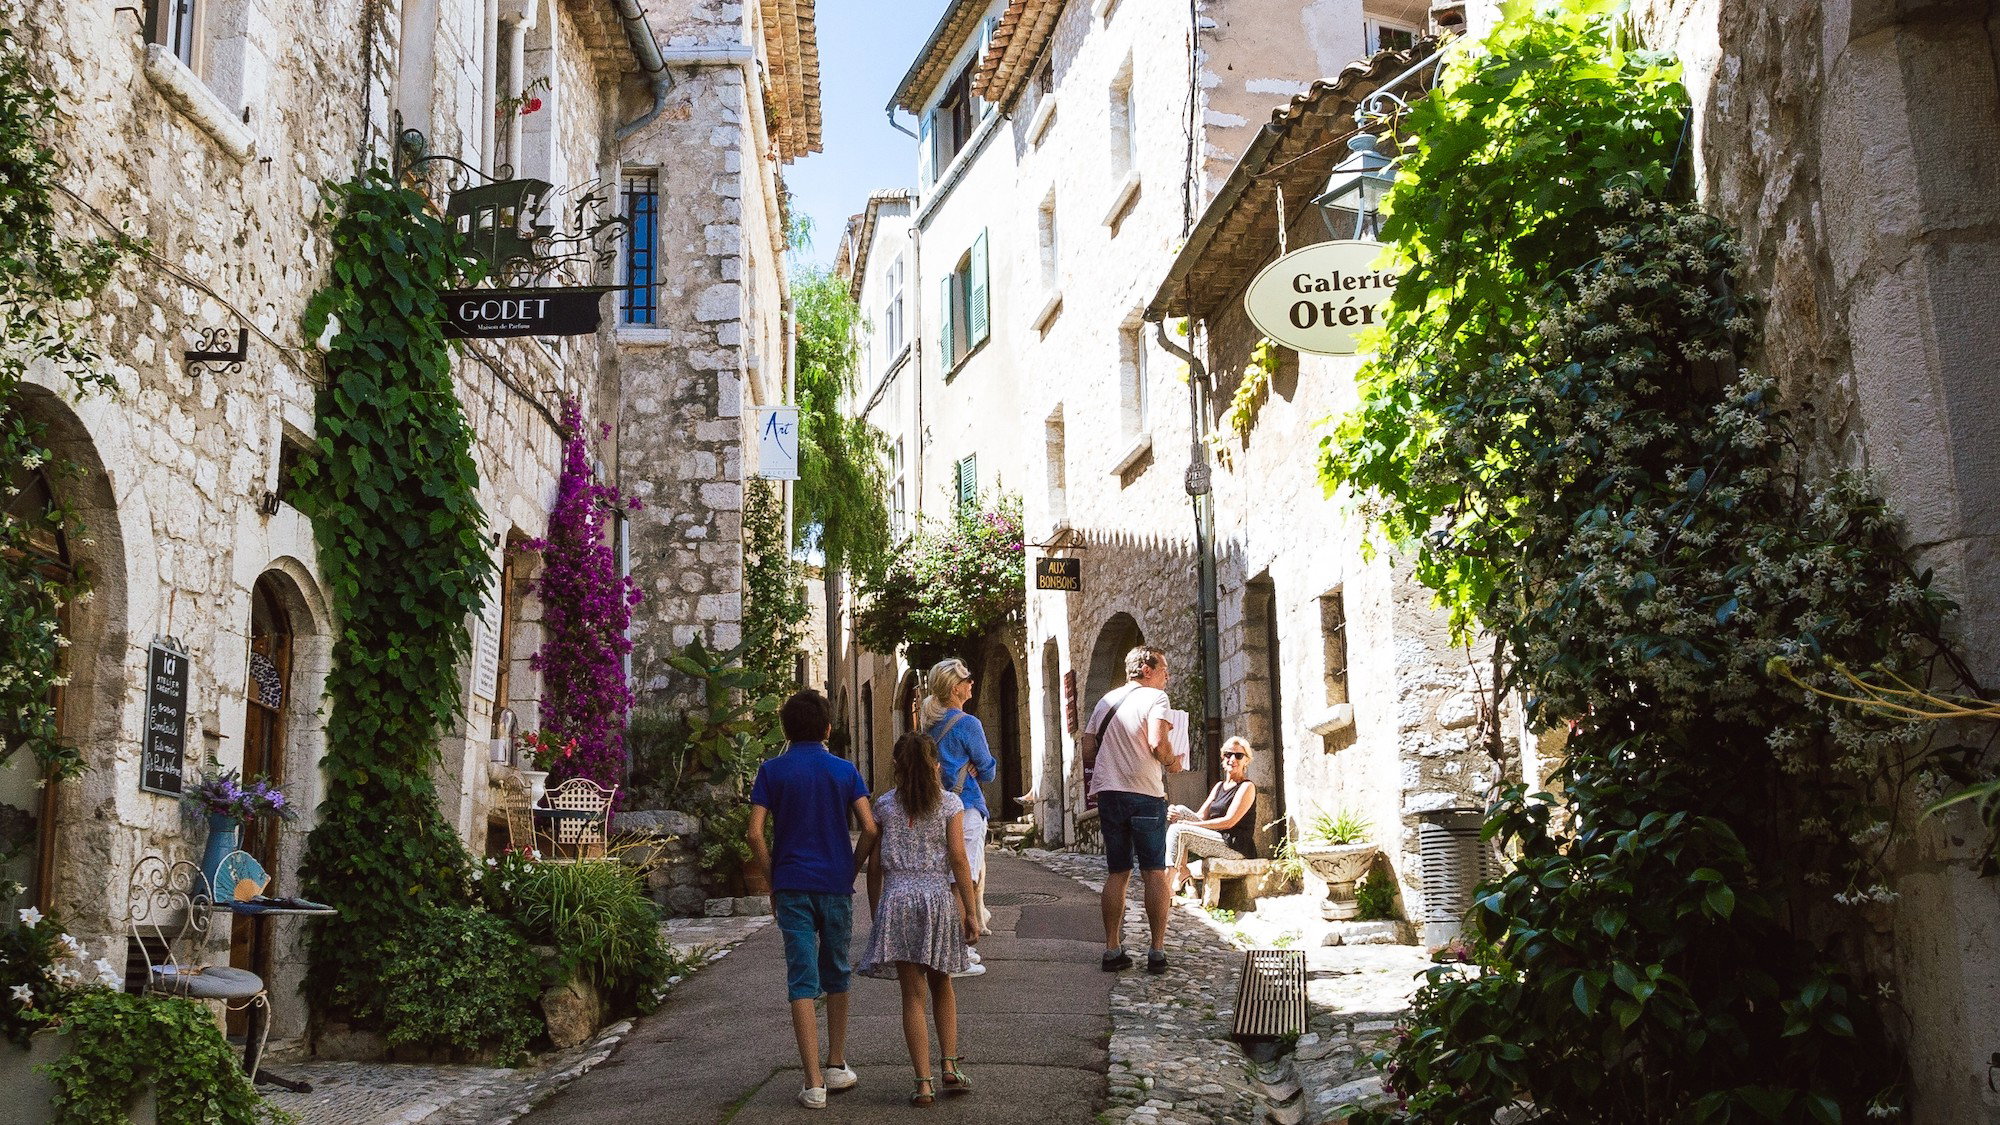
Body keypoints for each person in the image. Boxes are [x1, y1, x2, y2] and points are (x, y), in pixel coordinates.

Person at [747, 689, 880, 1111]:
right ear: (827, 728)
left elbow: (754, 833)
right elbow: (870, 828)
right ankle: (837, 1063)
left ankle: (813, 1082)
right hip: (835, 885)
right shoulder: (844, 770)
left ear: (786, 729)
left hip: (792, 885)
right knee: (837, 971)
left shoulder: (772, 771)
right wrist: (851, 868)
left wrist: (773, 880)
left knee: (801, 978)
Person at [858, 731, 983, 1106]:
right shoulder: (950, 804)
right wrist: (971, 911)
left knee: (912, 996)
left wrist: (878, 911)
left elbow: (874, 867)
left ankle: (923, 1083)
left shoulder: (884, 806)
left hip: (897, 900)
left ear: (897, 767)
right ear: (936, 767)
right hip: (937, 900)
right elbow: (959, 859)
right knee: (943, 984)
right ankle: (950, 1066)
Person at [1078, 645, 1182, 974]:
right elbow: (1157, 743)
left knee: (1118, 872)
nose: (1167, 677)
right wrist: (1172, 761)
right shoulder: (1156, 698)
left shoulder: (1106, 701)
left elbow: (1088, 748)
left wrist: (1114, 760)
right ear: (1147, 670)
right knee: (1154, 872)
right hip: (1145, 793)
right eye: (1164, 670)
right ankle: (1157, 951)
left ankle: (1112, 949)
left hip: (1110, 794)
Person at [918, 658, 997, 977]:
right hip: (966, 806)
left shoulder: (929, 724)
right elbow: (988, 770)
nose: (971, 683)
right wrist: (980, 767)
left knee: (943, 880)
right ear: (955, 688)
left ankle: (944, 949)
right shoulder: (968, 724)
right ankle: (957, 953)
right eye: (966, 679)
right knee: (963, 880)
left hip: (935, 808)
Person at [1166, 736, 1258, 896]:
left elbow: (1229, 822)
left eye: (1238, 756)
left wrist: (1189, 826)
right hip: (1217, 838)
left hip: (1234, 846)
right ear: (1222, 758)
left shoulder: (1246, 787)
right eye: (1228, 754)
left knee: (1178, 830)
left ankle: (1168, 884)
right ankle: (1182, 871)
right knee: (1180, 811)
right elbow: (1201, 816)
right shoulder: (1219, 786)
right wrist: (1176, 814)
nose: (1232, 759)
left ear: (1246, 761)